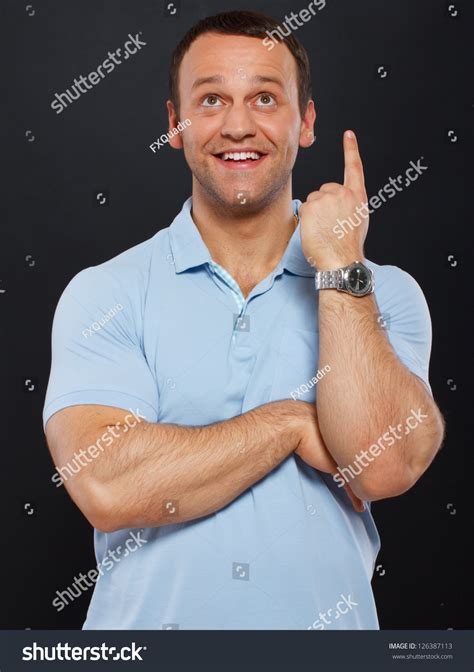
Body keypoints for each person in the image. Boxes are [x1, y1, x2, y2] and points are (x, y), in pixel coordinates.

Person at [43, 10, 444, 630]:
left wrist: (339, 265)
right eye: (210, 100)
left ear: (305, 122)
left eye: (264, 97)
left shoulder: (382, 292)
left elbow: (384, 465)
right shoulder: (105, 294)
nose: (237, 125)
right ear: (175, 124)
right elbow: (108, 486)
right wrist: (289, 423)